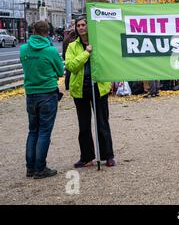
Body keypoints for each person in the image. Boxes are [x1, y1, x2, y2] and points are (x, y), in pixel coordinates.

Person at [65, 16, 116, 168]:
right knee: (84, 125)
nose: (81, 28)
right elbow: (71, 66)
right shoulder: (72, 46)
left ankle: (108, 155)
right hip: (80, 89)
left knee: (102, 123)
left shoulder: (99, 43)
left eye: (84, 25)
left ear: (89, 26)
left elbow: (108, 62)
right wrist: (86, 53)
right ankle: (86, 156)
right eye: (78, 25)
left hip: (98, 87)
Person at [20, 20, 65, 179]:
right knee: (44, 132)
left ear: (33, 31)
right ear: (48, 33)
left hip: (30, 94)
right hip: (47, 93)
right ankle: (40, 168)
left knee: (33, 131)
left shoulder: (24, 49)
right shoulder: (50, 51)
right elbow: (60, 71)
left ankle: (30, 168)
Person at [62, 19, 77, 91]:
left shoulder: (66, 33)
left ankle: (67, 85)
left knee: (68, 70)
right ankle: (68, 85)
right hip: (70, 53)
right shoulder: (70, 33)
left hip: (67, 53)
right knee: (69, 70)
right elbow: (66, 43)